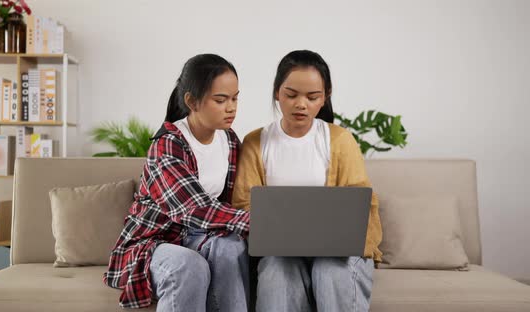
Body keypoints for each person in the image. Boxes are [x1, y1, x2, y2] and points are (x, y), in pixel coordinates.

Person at [233, 50, 382, 312]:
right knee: (277, 273)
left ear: (325, 97)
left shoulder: (340, 140)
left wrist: (356, 244)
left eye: (312, 97)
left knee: (330, 272)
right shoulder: (256, 142)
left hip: (337, 252)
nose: (301, 104)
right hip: (279, 252)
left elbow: (363, 203)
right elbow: (243, 204)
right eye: (291, 95)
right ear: (277, 93)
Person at [105, 54, 250, 311]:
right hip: (155, 242)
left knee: (231, 248)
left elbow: (236, 199)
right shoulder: (168, 144)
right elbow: (193, 208)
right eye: (221, 100)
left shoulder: (229, 141)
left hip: (200, 235)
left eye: (235, 98)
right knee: (188, 265)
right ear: (192, 101)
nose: (231, 107)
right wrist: (253, 221)